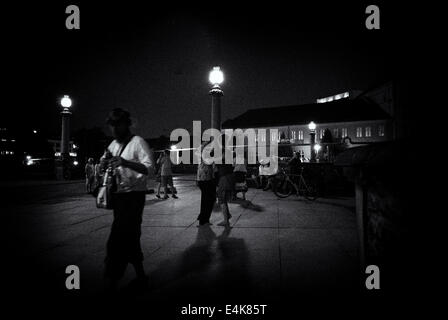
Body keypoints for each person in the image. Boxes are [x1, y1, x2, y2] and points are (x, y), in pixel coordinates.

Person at [102, 108, 154, 292]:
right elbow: (105, 162)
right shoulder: (112, 145)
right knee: (131, 237)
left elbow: (149, 169)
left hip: (134, 196)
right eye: (111, 126)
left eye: (118, 125)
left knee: (117, 238)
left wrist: (125, 162)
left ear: (126, 124)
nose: (114, 130)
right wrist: (103, 164)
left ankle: (113, 278)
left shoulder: (138, 142)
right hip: (119, 195)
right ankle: (141, 276)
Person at [196, 141, 216, 226]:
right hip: (206, 180)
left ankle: (203, 218)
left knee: (206, 199)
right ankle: (204, 219)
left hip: (202, 179)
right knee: (208, 200)